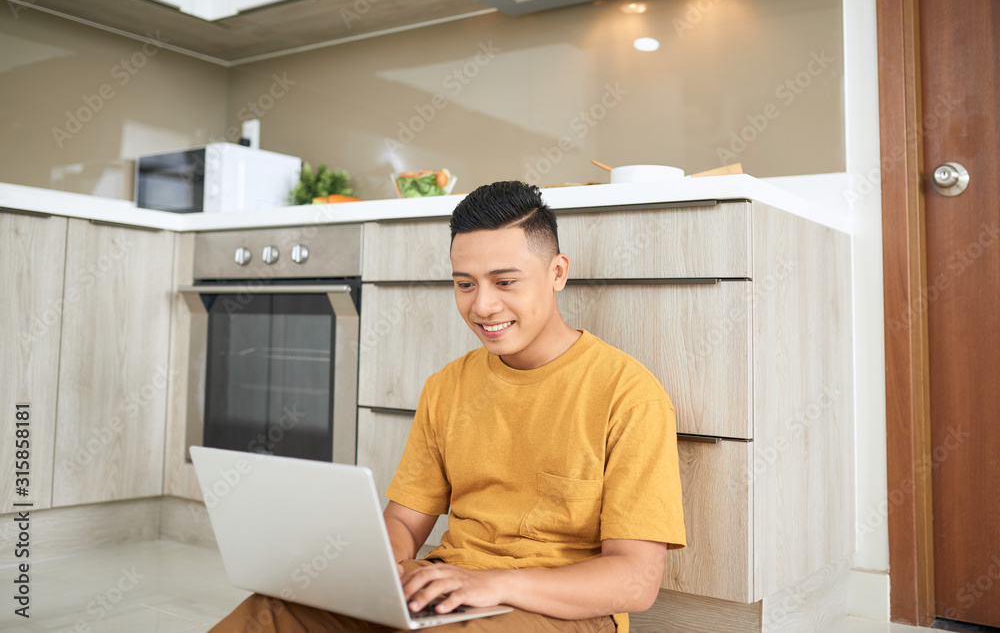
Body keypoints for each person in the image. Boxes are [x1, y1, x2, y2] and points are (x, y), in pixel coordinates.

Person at [210, 180, 686, 632]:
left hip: (558, 612)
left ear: (557, 272)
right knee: (274, 610)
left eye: (504, 282)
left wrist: (495, 583)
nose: (482, 307)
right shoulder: (448, 387)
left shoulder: (628, 395)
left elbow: (637, 580)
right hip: (448, 586)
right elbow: (402, 520)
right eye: (465, 285)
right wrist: (372, 574)